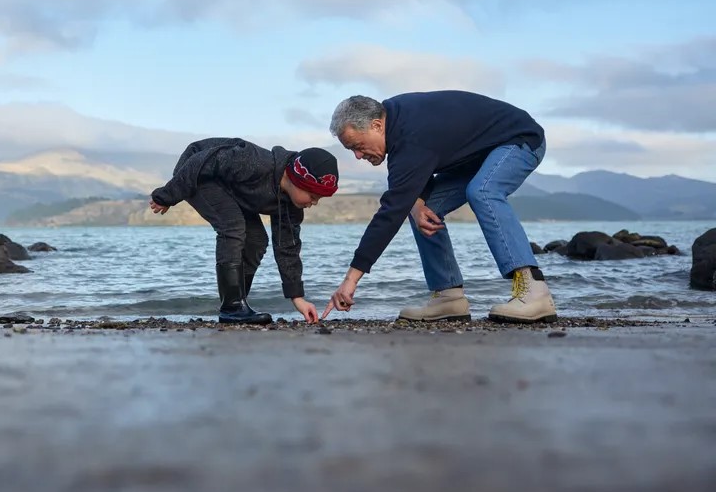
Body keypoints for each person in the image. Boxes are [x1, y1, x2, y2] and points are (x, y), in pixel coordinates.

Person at [321, 91, 556, 324]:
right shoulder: (397, 125)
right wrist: (417, 206)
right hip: (479, 155)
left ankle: (534, 291)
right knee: (424, 210)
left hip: (520, 140)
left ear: (376, 126)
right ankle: (448, 296)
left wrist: (351, 280)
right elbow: (407, 189)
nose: (358, 155)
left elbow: (390, 214)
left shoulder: (412, 133)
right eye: (351, 150)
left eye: (358, 145)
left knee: (483, 191)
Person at [149, 138, 339, 325]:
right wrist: (166, 195)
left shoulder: (291, 206)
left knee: (256, 240)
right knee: (233, 226)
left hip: (232, 187)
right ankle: (232, 307)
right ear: (297, 179)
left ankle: (238, 304)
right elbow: (202, 161)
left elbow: (287, 248)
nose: (313, 203)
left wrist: (297, 298)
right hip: (198, 171)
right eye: (313, 196)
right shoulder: (254, 162)